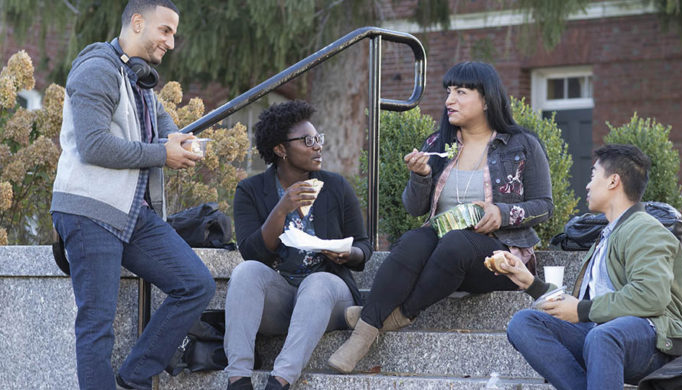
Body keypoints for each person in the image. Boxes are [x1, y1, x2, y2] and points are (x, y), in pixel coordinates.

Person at [327, 61, 554, 373]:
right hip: (443, 250)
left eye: (460, 92)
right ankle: (364, 335)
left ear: (486, 99)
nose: (450, 100)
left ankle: (396, 316)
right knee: (413, 240)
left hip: (500, 257)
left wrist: (502, 214)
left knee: (457, 242)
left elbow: (544, 205)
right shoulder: (438, 145)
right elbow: (415, 208)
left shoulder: (520, 144)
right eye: (448, 92)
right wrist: (420, 176)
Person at [49, 1, 216, 389]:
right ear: (137, 23)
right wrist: (162, 153)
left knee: (196, 284)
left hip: (130, 213)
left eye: (173, 33)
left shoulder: (138, 79)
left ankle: (134, 379)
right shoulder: (97, 70)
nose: (170, 42)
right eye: (165, 31)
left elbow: (163, 126)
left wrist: (179, 141)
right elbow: (94, 146)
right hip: (89, 212)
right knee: (97, 325)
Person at [499, 144, 682, 389]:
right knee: (524, 323)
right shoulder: (606, 236)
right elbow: (582, 306)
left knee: (602, 335)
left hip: (655, 344)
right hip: (600, 336)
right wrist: (528, 281)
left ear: (613, 181)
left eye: (593, 176)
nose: (588, 185)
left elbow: (651, 296)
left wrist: (583, 310)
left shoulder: (646, 229)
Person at [224, 100, 373, 390]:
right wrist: (282, 208)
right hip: (281, 295)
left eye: (318, 139)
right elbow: (252, 254)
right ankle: (238, 378)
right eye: (308, 140)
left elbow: (364, 248)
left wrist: (348, 253)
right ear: (280, 149)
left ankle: (280, 381)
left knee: (317, 282)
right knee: (245, 273)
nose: (317, 146)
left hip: (329, 295)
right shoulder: (251, 191)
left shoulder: (336, 186)